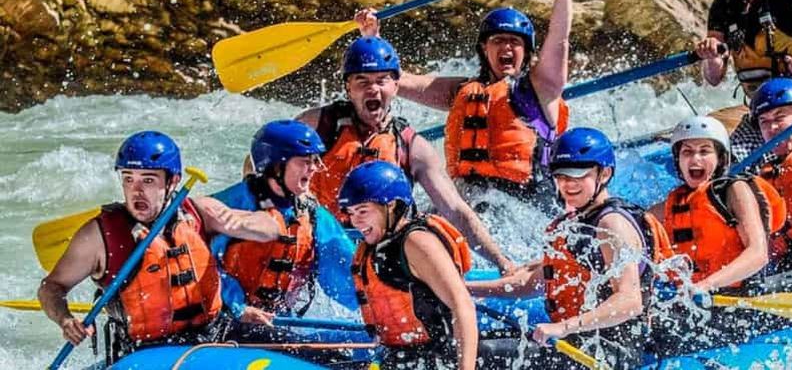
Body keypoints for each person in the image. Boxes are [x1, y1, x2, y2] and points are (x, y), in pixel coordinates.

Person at [37, 131, 279, 364]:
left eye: (148, 180)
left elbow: (270, 228)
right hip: (147, 353)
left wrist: (235, 223)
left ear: (173, 181)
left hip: (216, 334)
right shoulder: (99, 236)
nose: (136, 191)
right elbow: (51, 287)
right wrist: (65, 320)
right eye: (128, 179)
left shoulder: (197, 213)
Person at [353, 0, 574, 212]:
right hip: (466, 199)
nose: (507, 47)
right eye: (498, 40)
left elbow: (559, 39)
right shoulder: (461, 90)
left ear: (526, 51)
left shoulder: (541, 89)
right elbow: (396, 81)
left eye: (515, 42)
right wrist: (372, 39)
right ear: (484, 48)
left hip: (524, 204)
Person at [295, 36, 514, 273]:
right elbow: (259, 167)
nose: (373, 89)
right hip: (322, 243)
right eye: (362, 81)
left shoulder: (412, 146)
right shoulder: (317, 126)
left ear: (396, 86)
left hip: (380, 255)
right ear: (348, 87)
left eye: (382, 80)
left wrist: (501, 262)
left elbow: (455, 210)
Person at [469, 128, 670, 369]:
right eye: (561, 176)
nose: (567, 184)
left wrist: (562, 327)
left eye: (578, 176)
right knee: (468, 344)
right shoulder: (576, 222)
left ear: (604, 174)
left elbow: (629, 301)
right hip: (577, 342)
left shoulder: (612, 224)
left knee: (481, 355)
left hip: (610, 353)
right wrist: (464, 289)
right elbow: (533, 282)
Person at [650, 115, 788, 357]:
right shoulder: (673, 203)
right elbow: (630, 226)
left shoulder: (734, 190)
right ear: (678, 160)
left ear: (721, 157)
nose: (695, 159)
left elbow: (758, 253)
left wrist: (706, 285)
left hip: (746, 296)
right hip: (705, 300)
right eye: (687, 152)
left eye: (705, 151)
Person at [210, 120, 358, 333]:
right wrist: (237, 306)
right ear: (276, 166)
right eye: (305, 161)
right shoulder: (230, 204)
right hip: (223, 319)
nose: (315, 168)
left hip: (275, 322)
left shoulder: (312, 214)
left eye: (315, 160)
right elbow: (201, 264)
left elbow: (346, 274)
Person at [338, 160, 477, 370]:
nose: (355, 221)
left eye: (362, 211)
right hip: (401, 359)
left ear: (391, 205)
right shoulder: (377, 246)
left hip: (438, 360)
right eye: (351, 213)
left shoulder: (416, 242)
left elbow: (462, 305)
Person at [696, 0, 792, 169]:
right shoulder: (725, 2)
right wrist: (711, 56)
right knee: (725, 168)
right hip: (762, 114)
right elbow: (714, 78)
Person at [751, 78, 792, 271]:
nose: (772, 129)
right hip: (787, 262)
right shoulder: (765, 172)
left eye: (780, 117)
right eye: (764, 122)